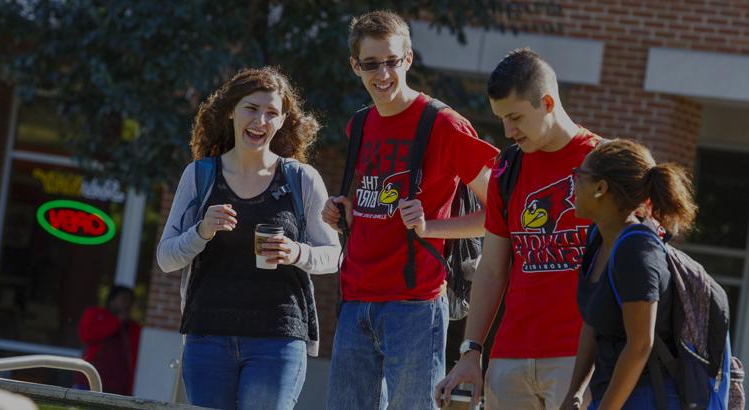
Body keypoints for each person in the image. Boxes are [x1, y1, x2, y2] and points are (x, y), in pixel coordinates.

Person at [321, 11, 498, 410]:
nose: (382, 73)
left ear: (408, 59)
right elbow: (373, 202)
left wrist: (431, 227)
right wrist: (343, 213)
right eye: (371, 64)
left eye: (392, 61)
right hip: (355, 299)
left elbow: (498, 214)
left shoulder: (445, 125)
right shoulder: (360, 125)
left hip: (414, 304)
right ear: (355, 66)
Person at [156, 67, 341, 410]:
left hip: (278, 341)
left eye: (272, 113)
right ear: (231, 111)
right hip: (207, 336)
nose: (260, 121)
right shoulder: (200, 175)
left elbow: (334, 255)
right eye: (251, 108)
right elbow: (166, 258)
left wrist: (296, 252)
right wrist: (201, 232)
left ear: (283, 120)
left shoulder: (301, 179)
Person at [436, 48, 602, 409]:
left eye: (515, 117)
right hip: (509, 358)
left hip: (580, 361)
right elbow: (492, 270)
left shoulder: (604, 165)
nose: (508, 131)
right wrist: (471, 351)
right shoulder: (506, 169)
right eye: (501, 119)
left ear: (546, 102)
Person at [560, 138, 693, 409]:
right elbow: (593, 320)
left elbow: (639, 346)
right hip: (611, 395)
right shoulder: (597, 237)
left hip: (647, 398)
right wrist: (574, 392)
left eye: (578, 176)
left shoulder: (637, 249)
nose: (573, 185)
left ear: (600, 188)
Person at [75, 285, 141, 395]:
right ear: (112, 300)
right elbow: (86, 335)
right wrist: (116, 321)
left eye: (130, 301)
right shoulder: (95, 314)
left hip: (117, 387)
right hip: (89, 381)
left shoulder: (132, 328)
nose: (127, 304)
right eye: (124, 299)